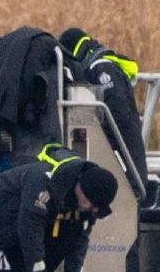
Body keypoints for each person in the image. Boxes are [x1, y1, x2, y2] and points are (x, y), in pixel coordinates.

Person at [0, 145, 119, 272]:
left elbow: (79, 239)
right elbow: (30, 228)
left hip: (15, 235)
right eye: (92, 205)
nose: (94, 210)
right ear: (82, 190)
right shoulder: (41, 180)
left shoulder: (87, 205)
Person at [58, 28, 148, 184]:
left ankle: (135, 186)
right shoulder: (91, 66)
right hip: (113, 142)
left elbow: (118, 113)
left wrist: (104, 138)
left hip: (121, 143)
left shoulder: (101, 68)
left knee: (132, 181)